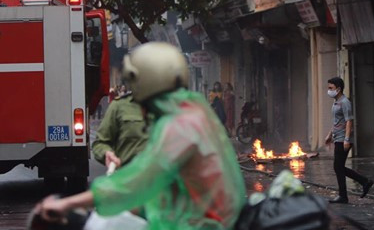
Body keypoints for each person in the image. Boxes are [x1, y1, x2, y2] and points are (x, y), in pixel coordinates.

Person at [35, 42, 245, 229]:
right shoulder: (194, 112)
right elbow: (163, 186)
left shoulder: (181, 125)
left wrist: (67, 203)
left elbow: (142, 179)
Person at [324, 77, 373, 204]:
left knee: (338, 167)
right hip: (337, 137)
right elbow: (337, 122)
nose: (328, 90)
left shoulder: (345, 102)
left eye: (331, 88)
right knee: (339, 167)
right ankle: (364, 182)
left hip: (343, 139)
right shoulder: (336, 102)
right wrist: (330, 134)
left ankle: (344, 195)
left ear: (338, 89)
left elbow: (349, 121)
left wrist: (346, 139)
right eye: (328, 88)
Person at [91, 88, 148, 169]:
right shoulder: (119, 106)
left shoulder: (170, 105)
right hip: (127, 175)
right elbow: (100, 143)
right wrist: (106, 153)